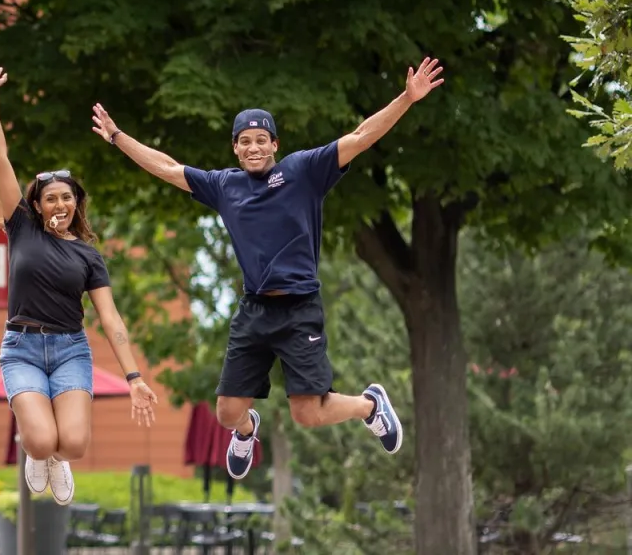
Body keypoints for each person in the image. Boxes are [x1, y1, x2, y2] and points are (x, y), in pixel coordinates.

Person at [90, 58, 443, 479]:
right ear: (235, 149)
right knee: (226, 413)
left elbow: (362, 135)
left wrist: (406, 97)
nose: (254, 147)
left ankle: (369, 405)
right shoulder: (225, 186)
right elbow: (166, 167)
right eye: (245, 141)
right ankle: (247, 430)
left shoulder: (304, 170)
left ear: (275, 144)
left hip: (298, 310)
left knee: (307, 414)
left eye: (262, 139)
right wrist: (116, 136)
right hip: (254, 310)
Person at [0, 68, 157, 506]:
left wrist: (134, 376)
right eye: (50, 198)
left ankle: (59, 460)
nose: (60, 203)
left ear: (76, 203)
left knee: (72, 444)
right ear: (35, 206)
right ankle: (40, 456)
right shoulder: (21, 228)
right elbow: (0, 159)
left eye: (67, 197)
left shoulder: (89, 256)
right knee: (39, 440)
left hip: (70, 349)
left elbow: (110, 318)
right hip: (21, 346)